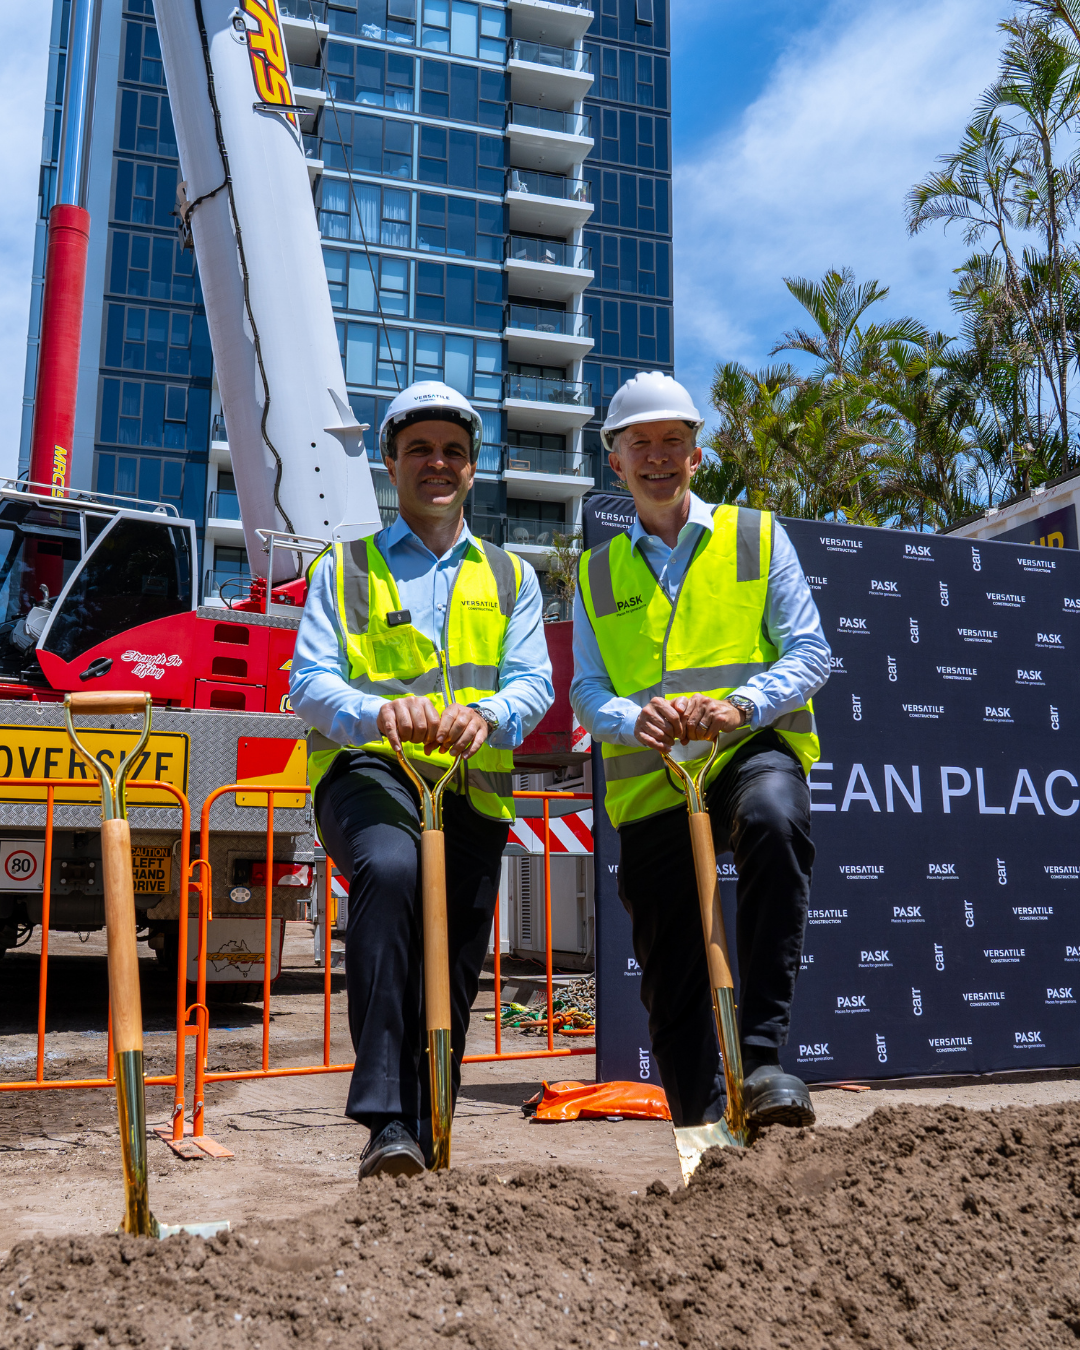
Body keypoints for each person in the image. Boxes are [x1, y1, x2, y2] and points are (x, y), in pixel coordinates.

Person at [290, 381, 553, 1178]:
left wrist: (489, 716)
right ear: (392, 467)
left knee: (454, 963)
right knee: (394, 868)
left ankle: (429, 1123)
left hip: (470, 788)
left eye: (451, 451)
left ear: (473, 470)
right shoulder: (345, 569)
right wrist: (380, 716)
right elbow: (309, 683)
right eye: (418, 451)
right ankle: (386, 1119)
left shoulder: (513, 579)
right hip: (369, 773)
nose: (436, 464)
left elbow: (533, 683)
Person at [571, 371, 831, 1128]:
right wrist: (630, 720)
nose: (658, 457)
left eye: (673, 443)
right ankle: (698, 1122)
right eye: (640, 444)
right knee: (671, 963)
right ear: (614, 461)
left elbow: (809, 652)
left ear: (696, 455)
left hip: (745, 749)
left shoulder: (755, 536)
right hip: (653, 780)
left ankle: (763, 1062)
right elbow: (588, 689)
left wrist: (740, 704)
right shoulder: (593, 574)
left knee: (776, 821)